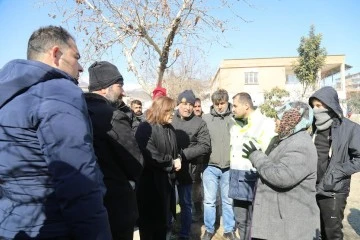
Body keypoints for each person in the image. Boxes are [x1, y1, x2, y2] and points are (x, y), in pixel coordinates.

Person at [0, 26, 111, 239]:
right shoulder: (57, 92)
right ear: (56, 53)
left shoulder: (8, 95)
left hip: (12, 223)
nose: (80, 67)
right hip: (54, 225)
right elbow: (78, 179)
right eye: (76, 57)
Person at [242, 101, 320, 240]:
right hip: (277, 220)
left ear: (291, 120)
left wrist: (256, 157)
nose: (275, 120)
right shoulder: (281, 139)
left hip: (289, 226)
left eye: (279, 117)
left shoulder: (301, 144)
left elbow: (281, 177)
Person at [85, 61, 144, 240]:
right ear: (104, 88)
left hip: (89, 205)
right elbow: (135, 162)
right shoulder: (114, 116)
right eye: (120, 85)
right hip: (116, 205)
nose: (123, 92)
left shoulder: (78, 110)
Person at [309, 86, 360, 240]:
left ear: (330, 104)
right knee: (316, 231)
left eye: (319, 106)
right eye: (313, 106)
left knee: (332, 233)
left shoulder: (351, 128)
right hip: (312, 188)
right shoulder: (313, 127)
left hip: (334, 190)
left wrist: (337, 172)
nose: (316, 110)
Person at [229, 92, 275, 240]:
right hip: (236, 178)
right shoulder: (235, 124)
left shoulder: (265, 123)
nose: (233, 109)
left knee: (256, 223)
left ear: (246, 106)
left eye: (235, 105)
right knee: (241, 221)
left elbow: (269, 155)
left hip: (253, 179)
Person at [135, 96, 182, 240]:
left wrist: (179, 158)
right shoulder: (145, 128)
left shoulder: (170, 128)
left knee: (163, 224)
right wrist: (171, 163)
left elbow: (176, 149)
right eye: (169, 110)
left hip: (166, 184)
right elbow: (150, 155)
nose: (173, 114)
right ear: (160, 111)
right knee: (150, 226)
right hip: (150, 185)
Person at [172, 90, 211, 239]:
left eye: (190, 104)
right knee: (169, 201)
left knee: (185, 202)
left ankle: (184, 233)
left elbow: (205, 146)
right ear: (178, 104)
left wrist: (183, 155)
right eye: (184, 104)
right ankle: (170, 227)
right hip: (168, 167)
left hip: (188, 170)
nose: (187, 107)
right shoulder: (170, 118)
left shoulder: (199, 123)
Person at [202, 89, 238, 240]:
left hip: (229, 167)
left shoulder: (235, 118)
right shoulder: (205, 119)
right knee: (209, 201)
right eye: (217, 104)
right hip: (210, 166)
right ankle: (209, 229)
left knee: (228, 201)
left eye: (222, 103)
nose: (219, 106)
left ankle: (228, 229)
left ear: (227, 102)